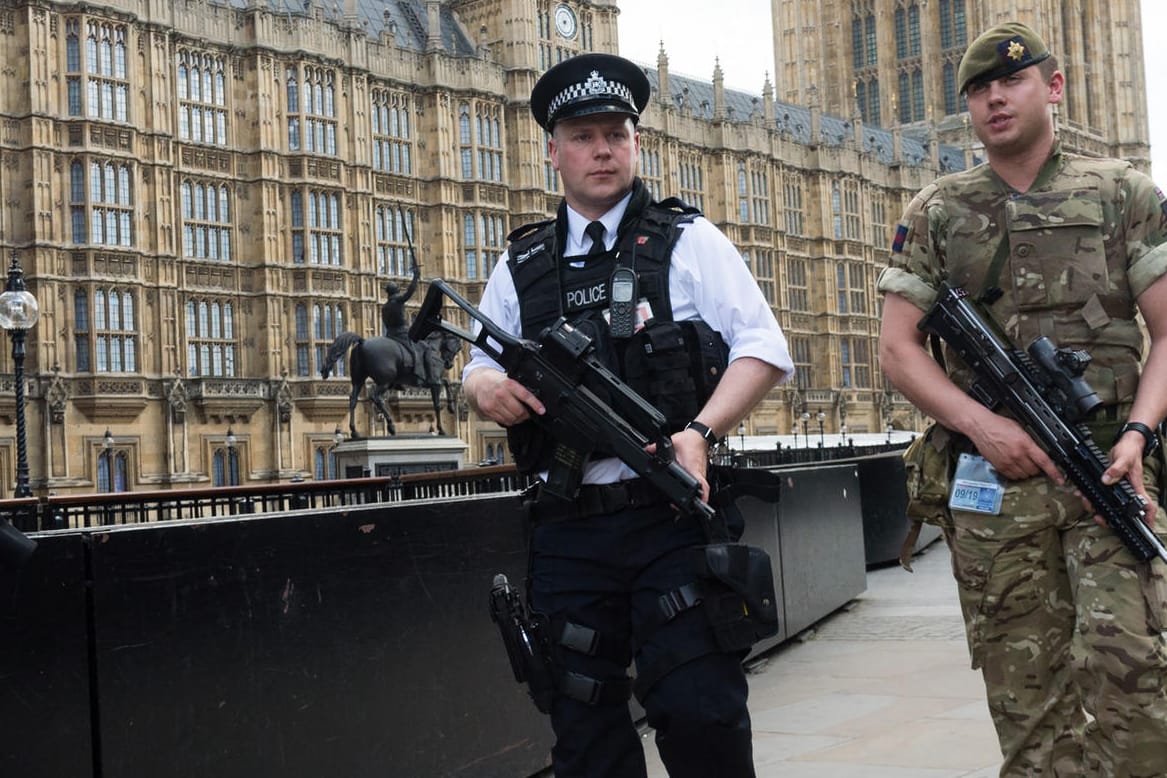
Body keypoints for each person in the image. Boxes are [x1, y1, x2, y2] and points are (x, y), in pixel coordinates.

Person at [461, 53, 793, 778]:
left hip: (669, 518)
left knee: (700, 713)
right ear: (553, 150)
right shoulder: (521, 265)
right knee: (583, 730)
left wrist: (699, 434)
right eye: (583, 135)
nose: (602, 148)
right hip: (568, 529)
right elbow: (478, 365)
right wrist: (482, 389)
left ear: (637, 142)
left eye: (615, 132)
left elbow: (764, 348)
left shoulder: (686, 241)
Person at [878, 22, 1167, 777]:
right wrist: (982, 424)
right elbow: (897, 348)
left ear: (1054, 86)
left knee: (1138, 678)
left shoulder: (1122, 191)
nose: (993, 99)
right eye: (976, 89)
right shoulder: (938, 209)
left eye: (1010, 81)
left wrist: (1137, 432)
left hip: (1108, 467)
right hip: (994, 488)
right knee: (1026, 700)